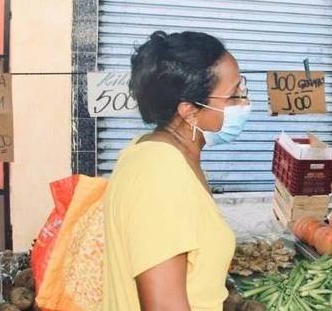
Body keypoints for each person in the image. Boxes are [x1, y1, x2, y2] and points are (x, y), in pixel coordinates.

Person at [103, 31, 252, 311]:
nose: (244, 103)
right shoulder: (160, 173)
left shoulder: (163, 154)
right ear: (190, 111)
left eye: (242, 88)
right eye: (233, 95)